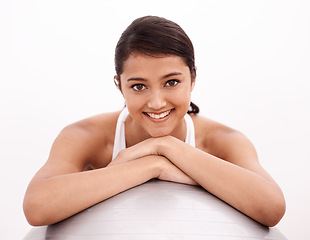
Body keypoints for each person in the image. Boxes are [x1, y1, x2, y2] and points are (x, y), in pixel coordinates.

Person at [23, 16, 285, 227]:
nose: (156, 102)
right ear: (119, 85)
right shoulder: (85, 135)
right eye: (139, 86)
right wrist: (154, 165)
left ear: (192, 79)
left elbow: (272, 208)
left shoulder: (224, 141)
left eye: (171, 82)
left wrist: (169, 147)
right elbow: (36, 207)